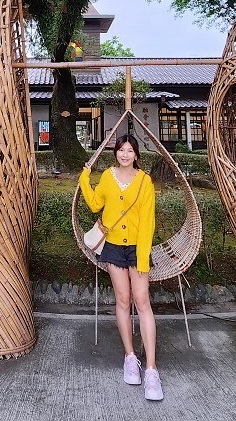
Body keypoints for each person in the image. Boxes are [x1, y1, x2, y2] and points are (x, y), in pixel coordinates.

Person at [79, 134, 163, 401]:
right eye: (121, 150)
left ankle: (151, 369)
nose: (125, 154)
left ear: (137, 154)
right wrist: (84, 179)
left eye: (130, 150)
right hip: (113, 246)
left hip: (137, 249)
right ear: (116, 153)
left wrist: (141, 258)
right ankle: (129, 357)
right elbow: (95, 204)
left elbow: (148, 222)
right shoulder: (107, 177)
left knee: (143, 302)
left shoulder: (145, 181)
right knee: (123, 301)